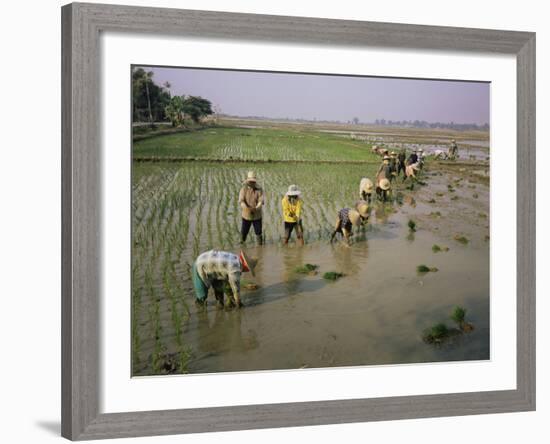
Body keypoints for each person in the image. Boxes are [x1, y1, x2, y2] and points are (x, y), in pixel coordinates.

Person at [192, 249, 258, 309]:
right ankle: (200, 310)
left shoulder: (235, 257)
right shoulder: (235, 268)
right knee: (202, 294)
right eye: (248, 269)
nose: (246, 271)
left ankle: (220, 303)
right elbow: (235, 288)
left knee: (219, 283)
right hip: (199, 264)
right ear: (246, 266)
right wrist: (238, 303)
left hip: (207, 260)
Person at [238, 171, 264, 244]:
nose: (252, 183)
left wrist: (256, 208)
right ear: (248, 181)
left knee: (258, 232)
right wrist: (247, 208)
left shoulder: (259, 189)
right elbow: (241, 201)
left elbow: (261, 201)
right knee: (244, 232)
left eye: (253, 182)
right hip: (246, 215)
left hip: (257, 215)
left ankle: (260, 248)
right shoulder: (243, 189)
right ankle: (242, 245)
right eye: (250, 181)